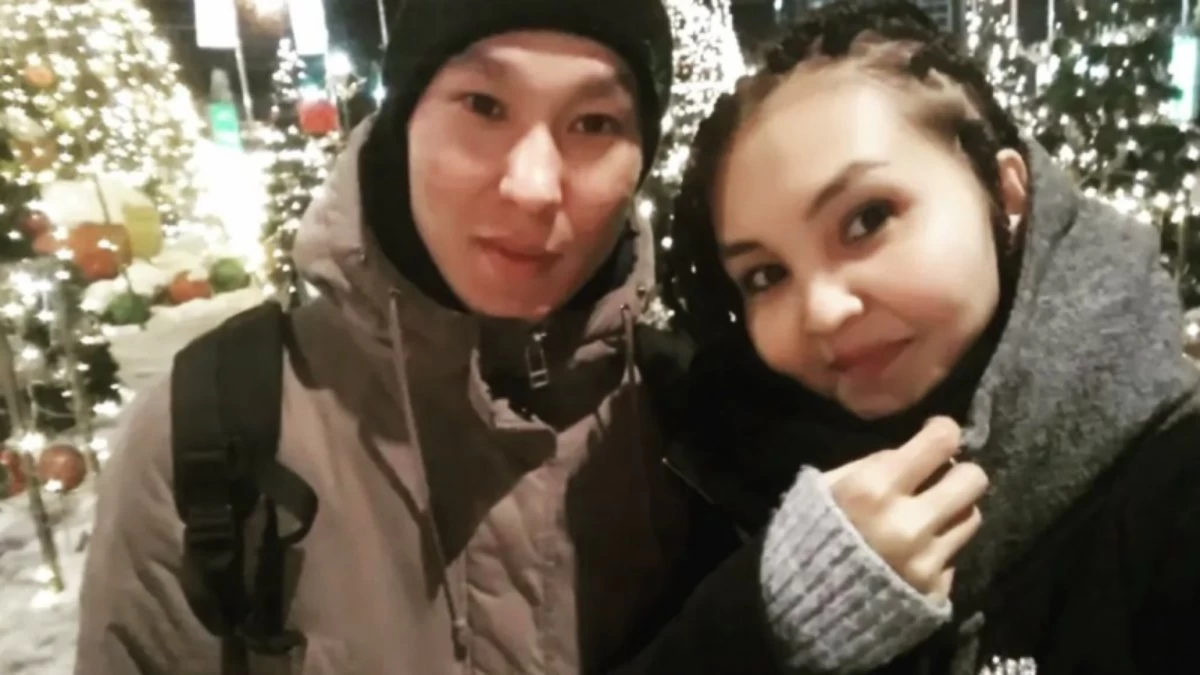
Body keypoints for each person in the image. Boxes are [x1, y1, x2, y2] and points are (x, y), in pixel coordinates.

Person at [75, 1, 742, 673]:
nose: (534, 186)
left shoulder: (696, 423)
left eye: (594, 123)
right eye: (484, 106)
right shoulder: (214, 433)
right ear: (402, 126)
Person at [658, 0, 1200, 672]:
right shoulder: (715, 470)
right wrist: (762, 620)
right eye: (766, 275)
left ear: (1006, 193)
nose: (821, 311)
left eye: (868, 219)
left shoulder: (1173, 485)